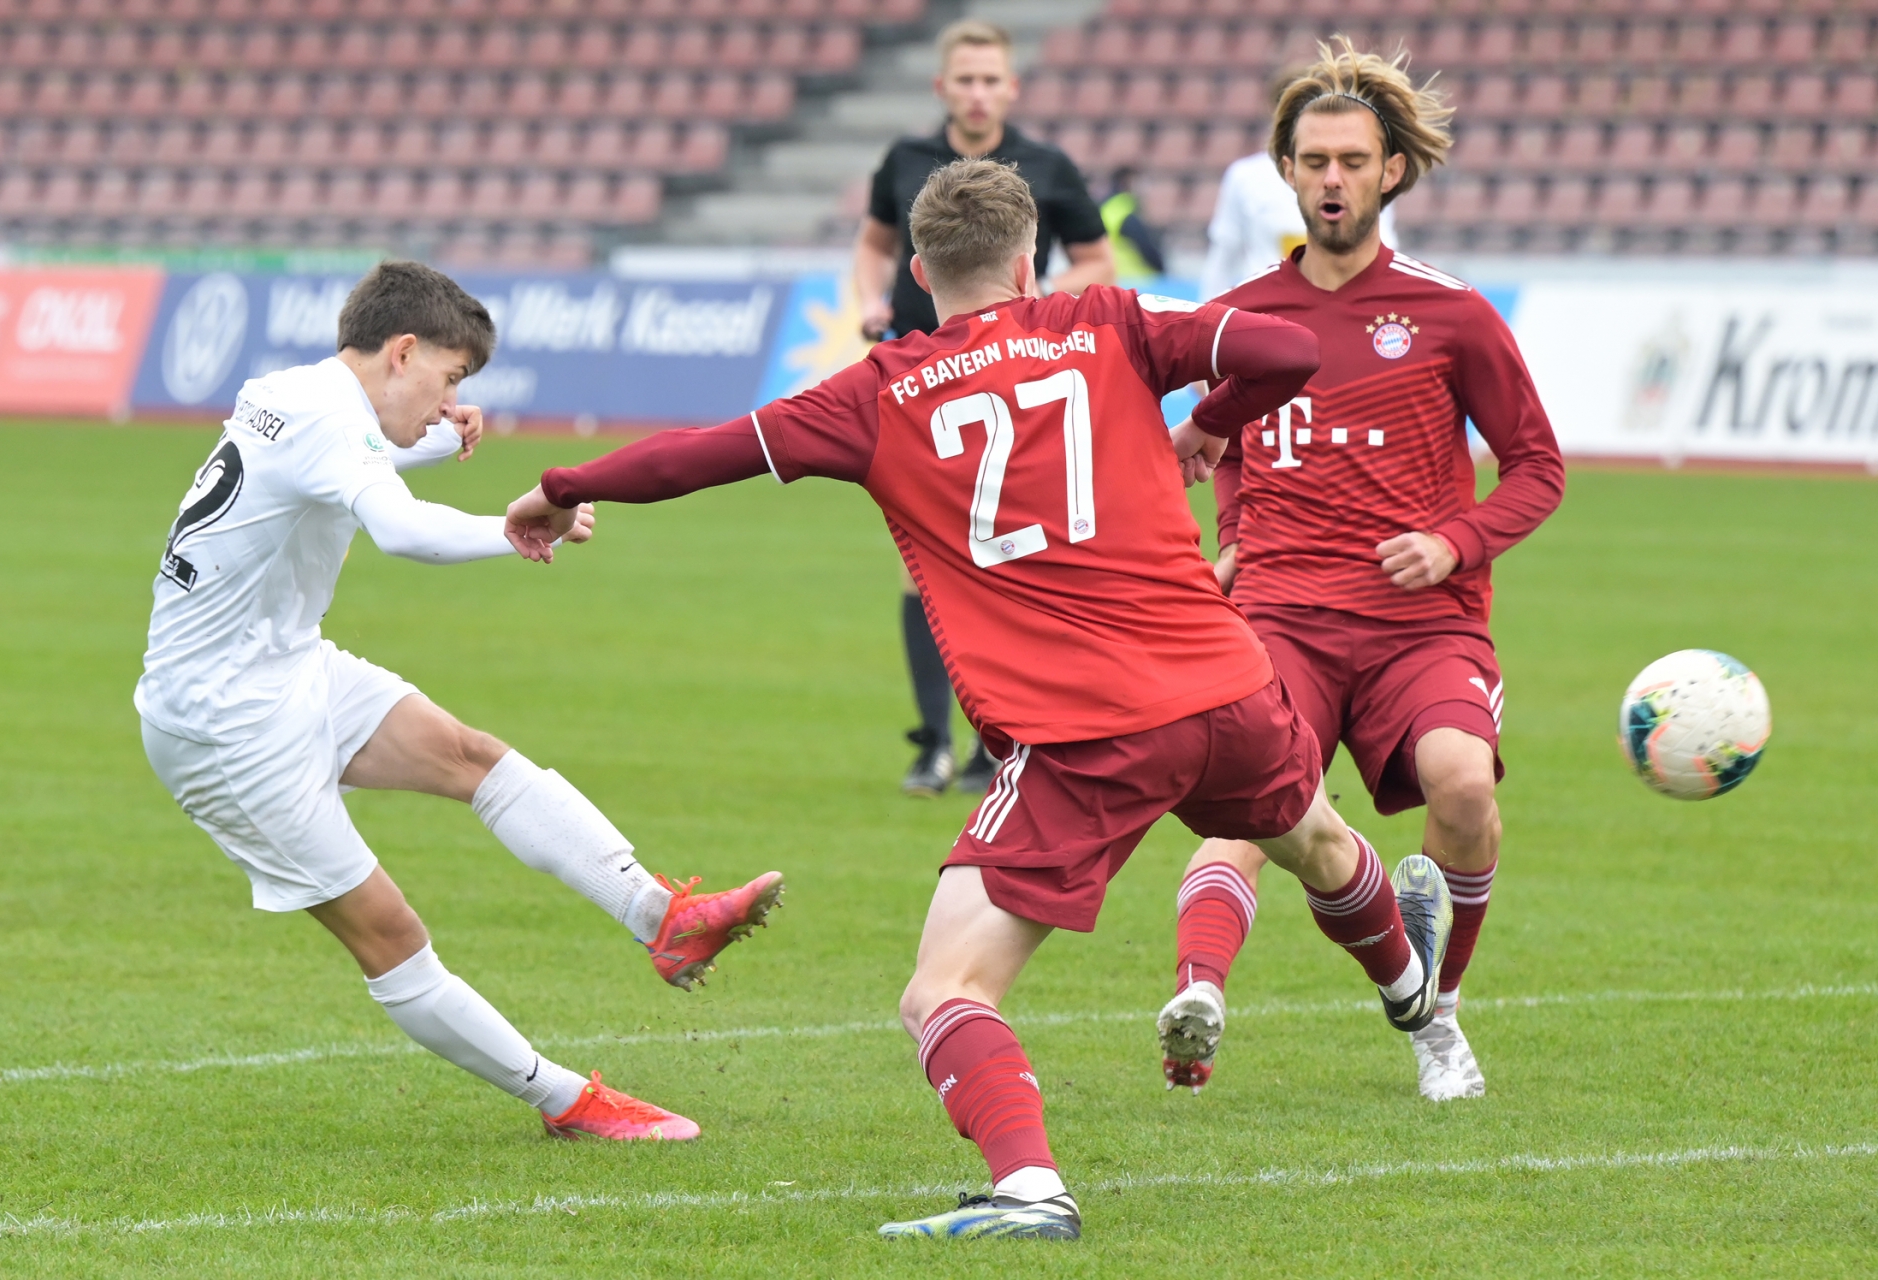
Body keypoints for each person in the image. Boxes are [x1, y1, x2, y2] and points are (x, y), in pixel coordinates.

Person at [509, 159, 1458, 1242]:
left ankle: (1029, 1190)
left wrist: (560, 488)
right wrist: (1208, 424)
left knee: (942, 989)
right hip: (1228, 684)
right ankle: (1408, 986)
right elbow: (1289, 348)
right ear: (1027, 260)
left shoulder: (876, 390)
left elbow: (698, 456)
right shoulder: (1102, 319)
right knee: (1316, 840)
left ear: (917, 271)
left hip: (1085, 730)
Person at [135, 261, 784, 1145]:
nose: (449, 397)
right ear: (403, 350)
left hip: (284, 669)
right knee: (390, 935)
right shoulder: (330, 418)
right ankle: (570, 1102)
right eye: (450, 376)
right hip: (223, 726)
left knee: (469, 754)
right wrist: (515, 528)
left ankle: (663, 919)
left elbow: (349, 459)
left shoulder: (289, 390)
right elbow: (399, 528)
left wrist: (435, 441)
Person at [1158, 41, 1566, 1104]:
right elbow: (1225, 445)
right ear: (1284, 175)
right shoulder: (1240, 321)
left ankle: (1441, 1012)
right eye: (1311, 161)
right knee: (1246, 814)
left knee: (1464, 784)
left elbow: (1537, 467)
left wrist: (1456, 542)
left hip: (1420, 623)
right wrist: (1234, 528)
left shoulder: (1453, 314)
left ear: (1392, 172)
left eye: (1350, 160)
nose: (1330, 179)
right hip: (1281, 613)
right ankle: (1198, 994)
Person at [852, 18, 1115, 799]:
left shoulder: (1048, 167)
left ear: (1011, 88)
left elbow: (1096, 260)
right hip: (920, 379)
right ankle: (935, 743)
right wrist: (870, 301)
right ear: (942, 89)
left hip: (1009, 382)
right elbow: (873, 244)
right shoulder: (904, 161)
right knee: (922, 555)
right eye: (962, 79)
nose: (975, 92)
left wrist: (1032, 306)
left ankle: (999, 739)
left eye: (988, 79)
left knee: (1008, 549)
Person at [1198, 67, 1399, 300]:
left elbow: (1384, 247)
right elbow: (1223, 257)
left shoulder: (1364, 177)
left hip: (1345, 305)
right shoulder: (1245, 177)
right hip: (1267, 311)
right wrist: (1205, 317)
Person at [1100, 166, 1167, 284]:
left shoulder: (1106, 208)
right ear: (1128, 182)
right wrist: (1163, 273)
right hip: (1135, 282)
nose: (1145, 189)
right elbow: (1147, 250)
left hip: (1113, 279)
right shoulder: (1123, 213)